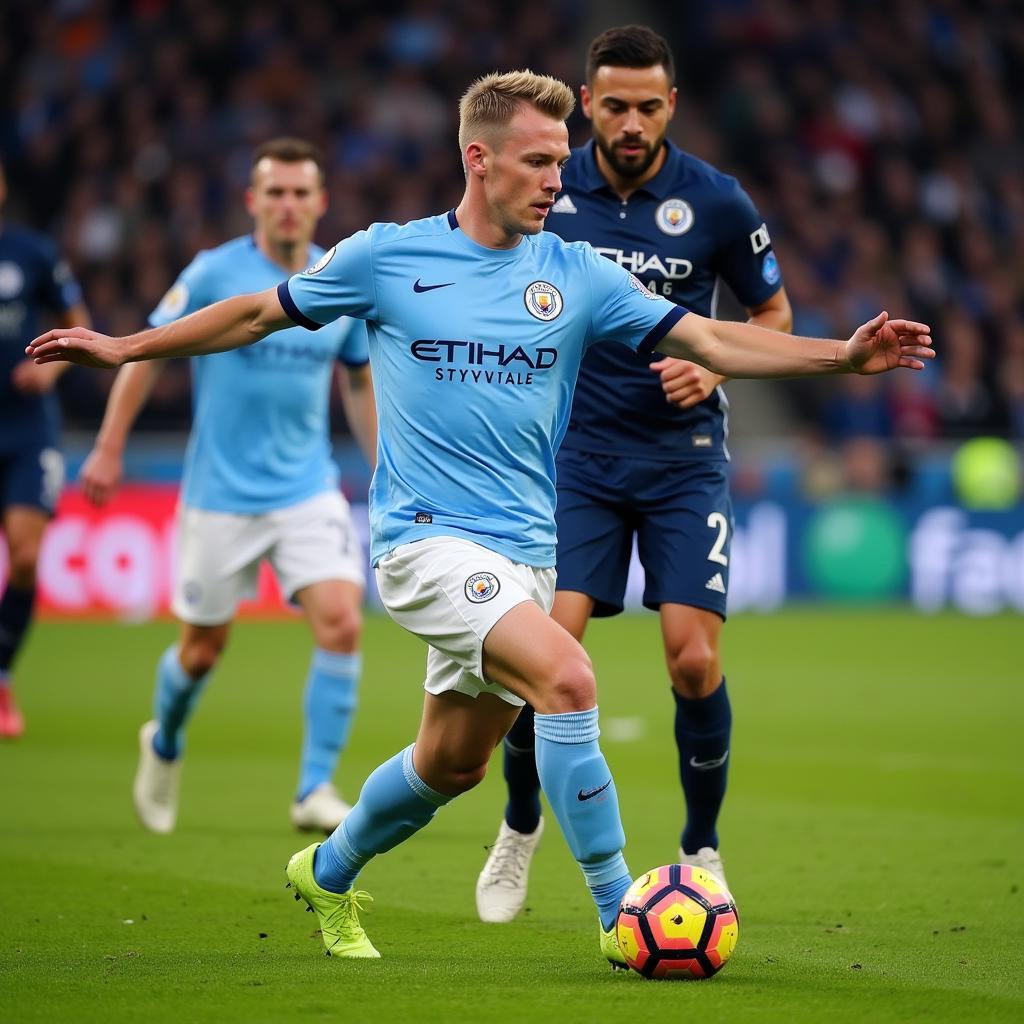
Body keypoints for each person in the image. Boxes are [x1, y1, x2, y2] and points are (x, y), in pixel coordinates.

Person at [28, 71, 933, 967]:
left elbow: (710, 337)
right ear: (479, 159)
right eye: (539, 162)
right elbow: (259, 314)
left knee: (449, 764)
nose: (558, 179)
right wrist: (124, 345)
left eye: (557, 162)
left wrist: (842, 358)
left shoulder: (578, 273)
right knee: (570, 680)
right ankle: (624, 915)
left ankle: (328, 869)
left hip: (524, 553)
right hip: (423, 543)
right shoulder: (389, 257)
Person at [476, 25, 792, 921]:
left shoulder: (719, 202)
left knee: (694, 661)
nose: (630, 121)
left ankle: (701, 846)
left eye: (649, 106)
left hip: (683, 460)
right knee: (547, 653)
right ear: (587, 101)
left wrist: (720, 365)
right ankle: (520, 823)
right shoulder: (543, 185)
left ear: (673, 106)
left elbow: (772, 309)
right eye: (613, 104)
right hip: (570, 461)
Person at [77, 138, 377, 834]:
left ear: (321, 202)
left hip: (307, 488)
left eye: (302, 193)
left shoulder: (337, 277)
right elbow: (146, 357)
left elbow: (359, 379)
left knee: (341, 620)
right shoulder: (214, 274)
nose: (289, 205)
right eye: (275, 192)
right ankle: (165, 740)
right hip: (219, 495)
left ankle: (314, 788)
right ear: (253, 201)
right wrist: (109, 445)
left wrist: (384, 467)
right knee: (202, 648)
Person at [0, 158, 91, 738]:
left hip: (27, 428)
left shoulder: (31, 252)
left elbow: (77, 323)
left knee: (27, 556)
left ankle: (2, 675)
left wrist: (51, 374)